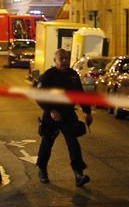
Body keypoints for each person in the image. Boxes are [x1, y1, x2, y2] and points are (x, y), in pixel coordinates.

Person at [35, 48, 93, 187]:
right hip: (52, 114)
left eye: (66, 58)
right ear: (55, 61)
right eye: (61, 59)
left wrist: (87, 112)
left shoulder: (73, 75)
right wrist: (51, 110)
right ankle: (42, 169)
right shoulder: (48, 76)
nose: (64, 61)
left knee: (73, 144)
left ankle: (78, 173)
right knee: (47, 143)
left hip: (68, 114)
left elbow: (80, 94)